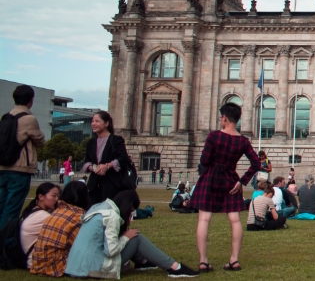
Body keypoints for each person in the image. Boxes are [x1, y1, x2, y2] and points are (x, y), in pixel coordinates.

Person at [190, 102, 261, 272]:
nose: (220, 120)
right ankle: (234, 260)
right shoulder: (243, 141)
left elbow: (204, 161)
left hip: (211, 178)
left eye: (220, 117)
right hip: (231, 179)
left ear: (224, 118)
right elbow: (256, 163)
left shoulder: (213, 136)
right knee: (235, 220)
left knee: (204, 219)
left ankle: (203, 261)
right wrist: (242, 181)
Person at [65, 190, 199, 277]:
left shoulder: (99, 208)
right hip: (93, 268)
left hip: (75, 266)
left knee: (131, 236)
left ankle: (141, 261)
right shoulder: (111, 216)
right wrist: (124, 237)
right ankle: (174, 267)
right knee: (136, 237)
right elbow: (110, 251)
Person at [0, 85, 46, 228]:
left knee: (2, 207)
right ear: (31, 100)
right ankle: (5, 244)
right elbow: (41, 141)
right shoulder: (29, 119)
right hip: (19, 169)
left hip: (3, 168)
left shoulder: (6, 117)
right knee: (11, 211)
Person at [30, 182, 90, 276]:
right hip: (56, 267)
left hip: (37, 264)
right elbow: (81, 246)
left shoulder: (57, 211)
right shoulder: (77, 216)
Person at [80, 111, 130, 206]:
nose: (93, 124)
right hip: (94, 183)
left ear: (106, 123)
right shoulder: (91, 142)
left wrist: (107, 166)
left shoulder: (116, 140)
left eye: (97, 121)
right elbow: (87, 161)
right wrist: (93, 168)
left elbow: (123, 158)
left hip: (112, 182)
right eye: (92, 121)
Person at [18, 182, 61, 269]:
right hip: (36, 262)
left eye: (58, 196)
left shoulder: (33, 210)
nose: (57, 199)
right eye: (53, 196)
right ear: (41, 197)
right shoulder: (43, 216)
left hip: (30, 258)